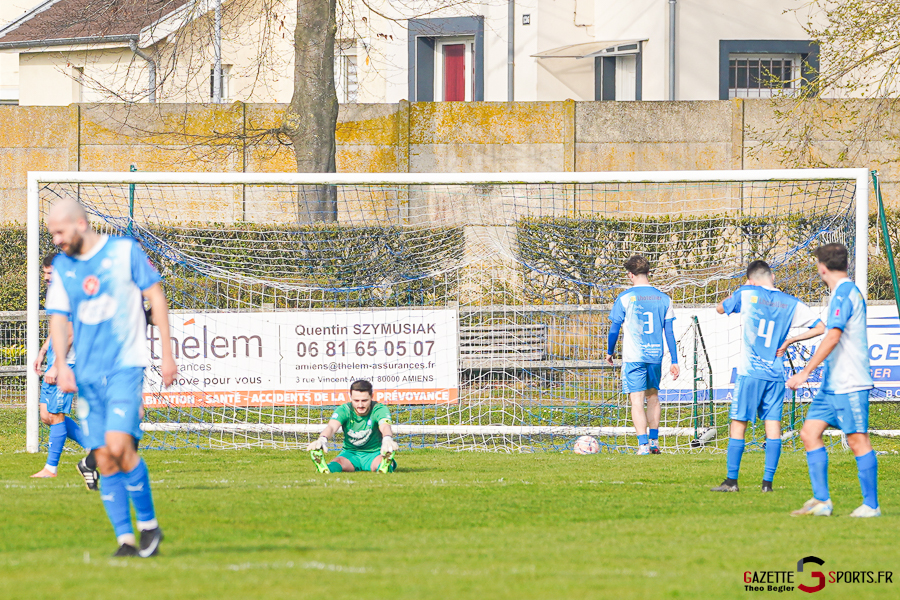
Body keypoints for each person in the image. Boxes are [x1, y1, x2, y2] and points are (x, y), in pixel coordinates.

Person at [45, 198, 178, 556]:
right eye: (52, 233)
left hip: (125, 365)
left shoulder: (124, 251)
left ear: (79, 224)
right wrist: (62, 364)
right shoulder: (63, 267)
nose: (56, 240)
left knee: (119, 446)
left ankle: (149, 526)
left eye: (59, 231)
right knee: (103, 457)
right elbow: (58, 317)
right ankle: (125, 540)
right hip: (87, 374)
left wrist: (167, 353)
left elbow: (155, 295)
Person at [710, 260, 824, 493]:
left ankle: (732, 481)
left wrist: (743, 288)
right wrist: (791, 339)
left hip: (750, 373)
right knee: (773, 426)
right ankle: (767, 484)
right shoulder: (790, 302)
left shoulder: (747, 292)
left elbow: (720, 308)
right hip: (774, 373)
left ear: (751, 279)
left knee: (738, 423)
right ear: (772, 276)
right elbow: (821, 327)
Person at [786, 243, 880, 517]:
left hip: (850, 382)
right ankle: (822, 501)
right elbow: (830, 331)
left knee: (857, 440)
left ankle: (871, 506)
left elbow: (833, 335)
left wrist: (805, 372)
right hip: (832, 384)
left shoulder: (844, 293)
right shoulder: (842, 292)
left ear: (821, 267)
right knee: (809, 433)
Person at [605, 255, 679, 455]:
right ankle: (655, 442)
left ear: (630, 275)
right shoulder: (664, 298)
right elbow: (669, 332)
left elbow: (614, 329)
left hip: (634, 357)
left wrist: (609, 352)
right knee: (653, 397)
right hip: (655, 356)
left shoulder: (625, 297)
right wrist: (674, 360)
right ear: (648, 272)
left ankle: (643, 445)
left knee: (637, 400)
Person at [30, 253, 89, 479]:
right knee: (46, 414)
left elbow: (71, 333)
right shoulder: (57, 294)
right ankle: (94, 445)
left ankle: (50, 469)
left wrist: (57, 365)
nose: (46, 278)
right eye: (44, 273)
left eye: (50, 274)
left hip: (67, 362)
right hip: (55, 357)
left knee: (55, 414)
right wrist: (43, 350)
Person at [307, 380, 398, 473]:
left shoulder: (379, 409)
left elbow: (385, 426)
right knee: (337, 462)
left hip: (374, 453)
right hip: (350, 454)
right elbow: (331, 427)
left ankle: (385, 465)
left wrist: (387, 438)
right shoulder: (344, 409)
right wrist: (322, 439)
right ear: (350, 397)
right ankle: (325, 469)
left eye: (364, 400)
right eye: (356, 400)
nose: (360, 405)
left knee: (380, 462)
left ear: (371, 397)